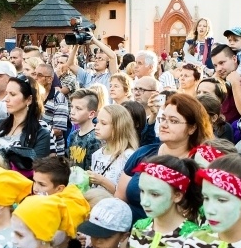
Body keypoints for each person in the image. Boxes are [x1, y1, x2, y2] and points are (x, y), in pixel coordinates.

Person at [117, 94, 212, 223]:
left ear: (192, 128)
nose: (164, 125)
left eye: (173, 121)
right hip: (130, 231)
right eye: (163, 119)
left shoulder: (200, 163)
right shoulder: (144, 152)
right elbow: (120, 198)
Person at [0, 76, 51, 163]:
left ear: (29, 100)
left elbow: (34, 169)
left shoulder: (41, 134)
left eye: (12, 94)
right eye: (7, 94)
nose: (6, 99)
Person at [88, 104, 137, 195]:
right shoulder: (96, 154)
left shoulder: (129, 156)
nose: (97, 127)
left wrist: (102, 181)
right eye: (97, 121)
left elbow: (127, 196)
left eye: (103, 123)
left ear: (118, 127)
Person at [35, 63, 69, 156]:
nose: (35, 78)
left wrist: (34, 133)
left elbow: (58, 130)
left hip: (53, 151)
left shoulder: (59, 98)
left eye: (40, 75)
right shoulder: (32, 96)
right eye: (35, 74)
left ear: (50, 79)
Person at [67, 89, 100, 171]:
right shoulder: (73, 135)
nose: (72, 112)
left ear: (91, 114)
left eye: (78, 108)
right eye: (72, 107)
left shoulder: (95, 139)